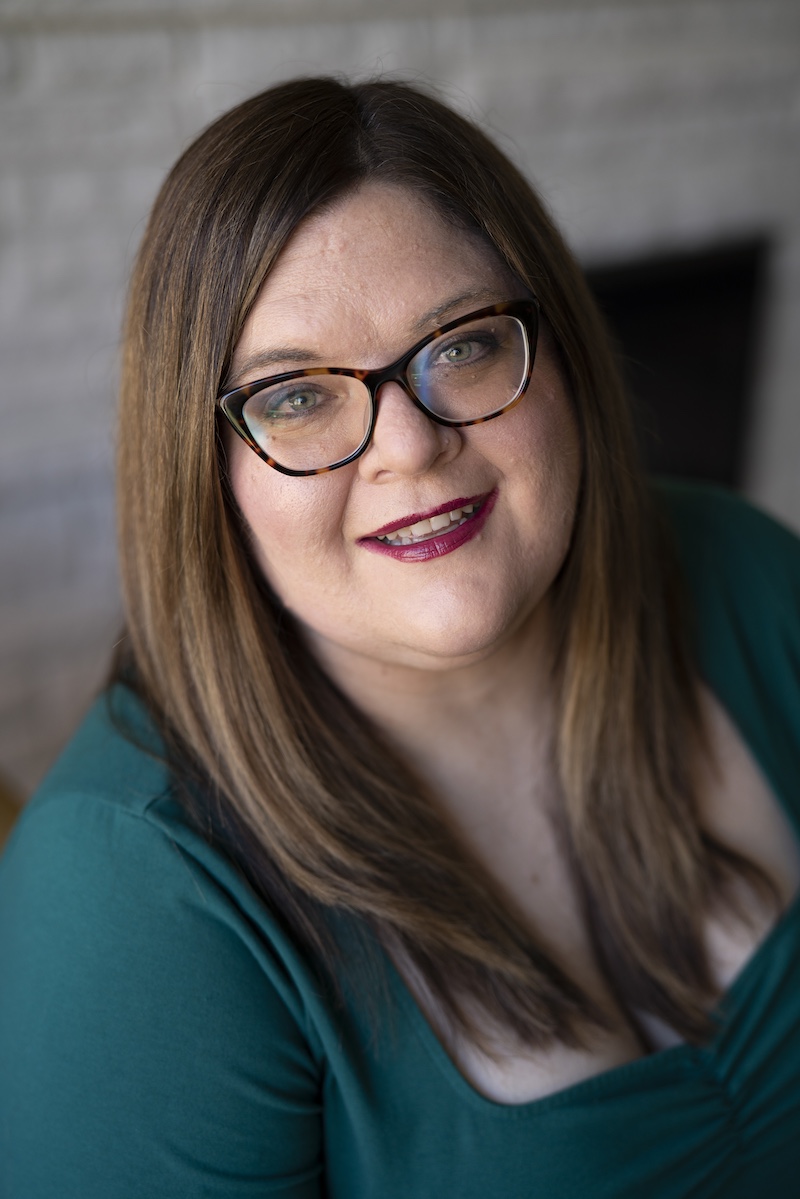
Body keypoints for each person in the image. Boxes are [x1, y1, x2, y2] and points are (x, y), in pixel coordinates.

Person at [1, 75, 800, 1198]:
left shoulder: (745, 575)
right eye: (294, 397)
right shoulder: (129, 897)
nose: (410, 446)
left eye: (465, 343)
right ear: (203, 472)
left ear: (558, 352)